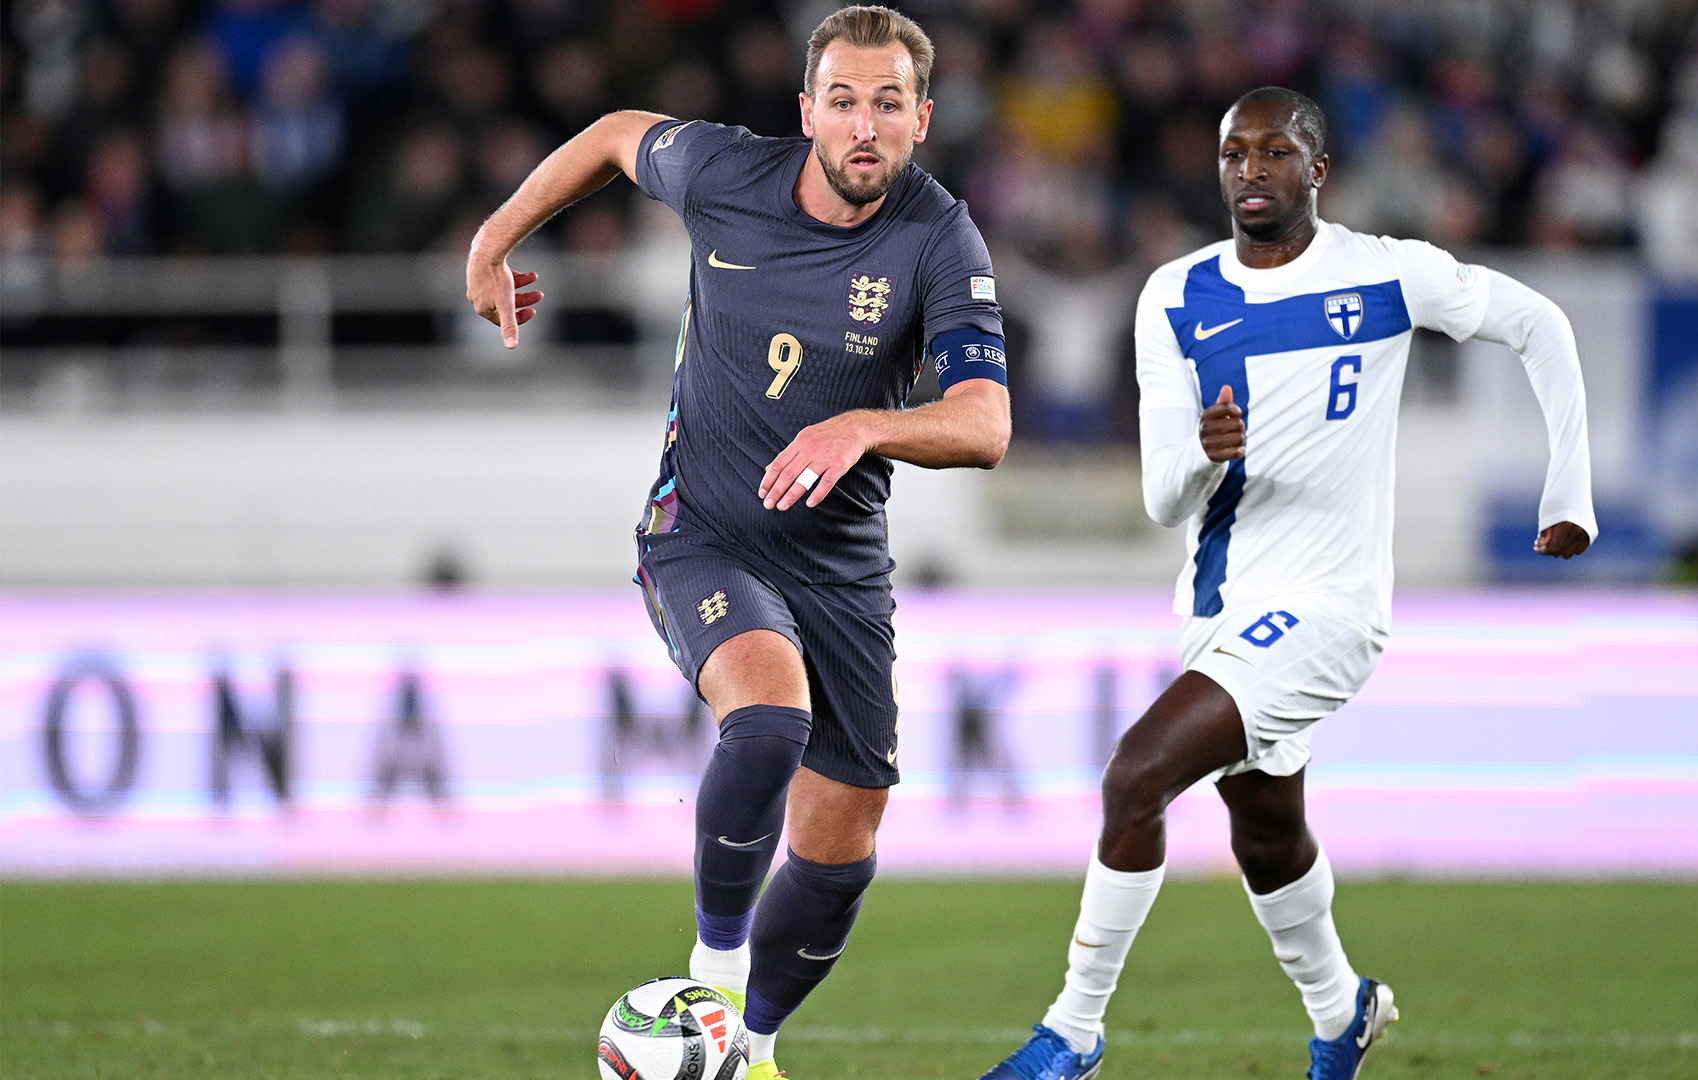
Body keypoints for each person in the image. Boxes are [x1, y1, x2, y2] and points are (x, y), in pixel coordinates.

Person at [976, 86, 1595, 1080]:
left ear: (1317, 170)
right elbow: (1163, 499)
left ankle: (1072, 1034)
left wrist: (1569, 493)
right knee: (1268, 834)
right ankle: (1343, 1009)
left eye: (1273, 153)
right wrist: (1205, 455)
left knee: (1137, 775)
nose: (1250, 172)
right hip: (1221, 611)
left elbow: (1541, 325)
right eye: (1233, 156)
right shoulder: (1175, 295)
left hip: (1334, 609)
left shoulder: (1388, 274)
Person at [464, 8, 1011, 1079]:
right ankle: (711, 981)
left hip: (842, 569)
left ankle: (748, 1048)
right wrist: (494, 238)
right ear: (806, 111)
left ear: (923, 119)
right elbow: (618, 132)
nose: (864, 125)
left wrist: (867, 424)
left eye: (888, 103)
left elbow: (986, 423)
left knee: (843, 834)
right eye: (843, 101)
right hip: (702, 532)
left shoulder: (939, 237)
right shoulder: (725, 173)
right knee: (766, 723)